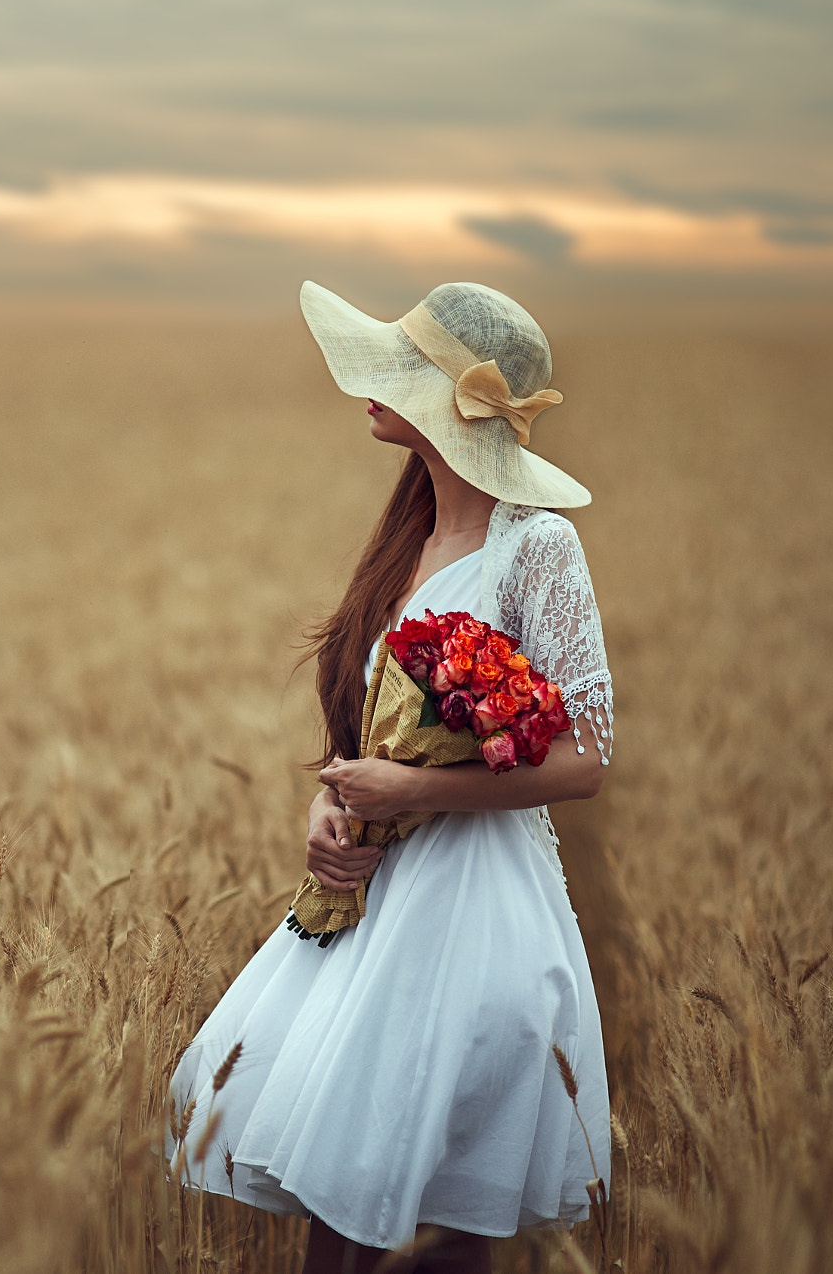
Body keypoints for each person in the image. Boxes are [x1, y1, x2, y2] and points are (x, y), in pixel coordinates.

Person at [166, 281, 615, 1274]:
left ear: (452, 405)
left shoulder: (535, 545)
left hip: (470, 915)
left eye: (403, 372)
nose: (368, 386)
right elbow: (369, 724)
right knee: (350, 1204)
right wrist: (329, 806)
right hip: (374, 903)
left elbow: (583, 760)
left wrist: (406, 795)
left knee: (423, 1216)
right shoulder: (408, 533)